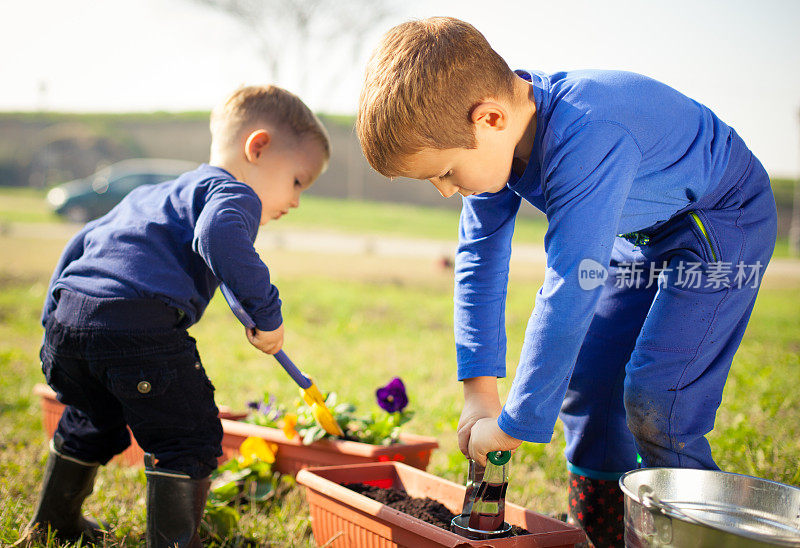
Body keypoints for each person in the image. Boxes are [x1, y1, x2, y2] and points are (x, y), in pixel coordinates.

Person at [357, 17, 777, 547]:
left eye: (444, 173)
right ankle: (603, 534)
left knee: (658, 398)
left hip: (721, 217)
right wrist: (479, 392)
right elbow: (479, 260)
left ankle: (699, 538)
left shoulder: (587, 133)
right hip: (640, 230)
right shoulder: (498, 134)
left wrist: (514, 424)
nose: (445, 191)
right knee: (593, 382)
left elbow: (570, 286)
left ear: (488, 118)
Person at [22, 85, 330, 547]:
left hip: (70, 324)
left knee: (93, 415)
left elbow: (83, 241)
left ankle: (53, 522)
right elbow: (219, 236)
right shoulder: (234, 194)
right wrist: (267, 314)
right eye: (298, 181)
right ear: (258, 147)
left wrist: (54, 322)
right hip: (137, 327)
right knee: (187, 436)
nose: (297, 200)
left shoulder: (153, 194)